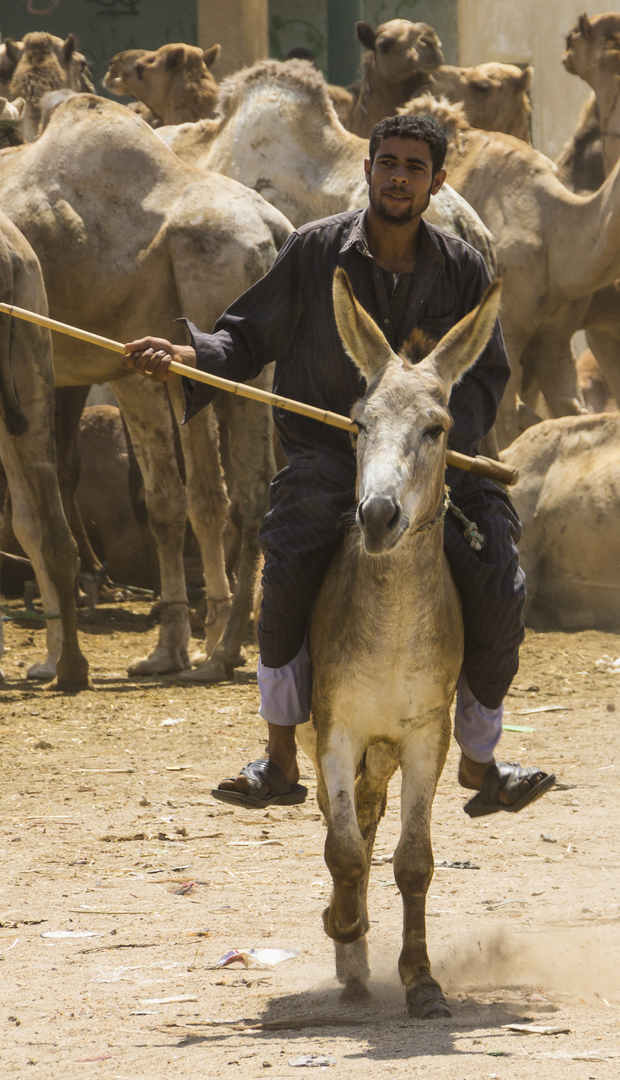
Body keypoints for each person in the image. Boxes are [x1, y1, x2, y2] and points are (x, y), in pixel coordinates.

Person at [122, 114, 554, 818]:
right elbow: (245, 336)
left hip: (431, 461)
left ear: (436, 182)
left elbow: (484, 377)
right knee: (285, 564)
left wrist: (426, 439)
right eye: (388, 162)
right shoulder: (315, 252)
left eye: (415, 167)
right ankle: (280, 757)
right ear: (369, 170)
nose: (398, 177)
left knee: (500, 576)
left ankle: (480, 759)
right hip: (328, 459)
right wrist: (187, 359)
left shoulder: (464, 269)